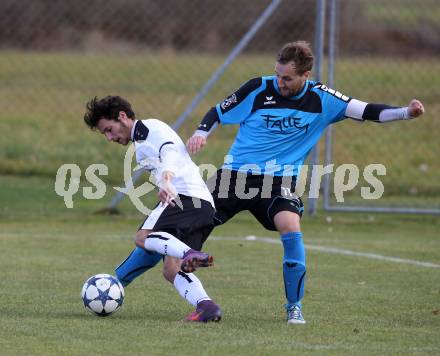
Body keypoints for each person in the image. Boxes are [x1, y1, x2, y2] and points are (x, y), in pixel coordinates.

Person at [186, 40, 425, 324]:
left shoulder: (322, 98)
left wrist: (406, 113)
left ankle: (294, 307)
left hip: (277, 180)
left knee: (291, 225)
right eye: (277, 74)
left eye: (286, 78)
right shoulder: (258, 88)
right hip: (235, 175)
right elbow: (217, 112)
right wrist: (202, 133)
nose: (279, 82)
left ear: (305, 76)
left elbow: (368, 111)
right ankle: (130, 279)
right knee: (185, 224)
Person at [83, 95, 222, 322]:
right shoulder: (140, 143)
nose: (109, 137)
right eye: (105, 134)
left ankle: (190, 254)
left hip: (184, 196)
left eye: (109, 129)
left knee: (143, 237)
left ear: (122, 117)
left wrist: (166, 179)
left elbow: (169, 150)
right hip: (203, 205)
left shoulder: (149, 129)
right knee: (171, 270)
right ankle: (207, 307)